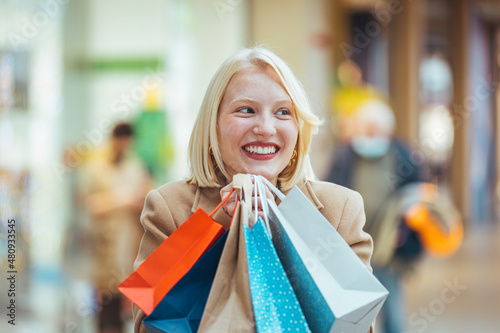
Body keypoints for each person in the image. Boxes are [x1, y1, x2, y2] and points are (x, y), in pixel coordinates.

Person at [132, 47, 374, 332]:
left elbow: (356, 324)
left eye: (283, 112)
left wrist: (283, 227)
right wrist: (220, 227)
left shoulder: (341, 209)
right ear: (214, 123)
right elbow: (147, 325)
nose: (266, 128)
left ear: (298, 128)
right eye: (246, 110)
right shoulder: (168, 207)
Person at [327, 100, 422, 333]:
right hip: (352, 245)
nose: (371, 135)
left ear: (387, 130)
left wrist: (405, 228)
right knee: (354, 308)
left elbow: (419, 194)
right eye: (367, 129)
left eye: (375, 130)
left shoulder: (402, 155)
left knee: (391, 307)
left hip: (388, 245)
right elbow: (328, 190)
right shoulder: (345, 156)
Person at [84, 123, 152, 333]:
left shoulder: (136, 166)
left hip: (130, 243)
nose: (124, 145)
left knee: (129, 306)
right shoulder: (98, 169)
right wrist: (121, 199)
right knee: (107, 304)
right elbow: (91, 204)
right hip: (106, 244)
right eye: (120, 140)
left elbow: (148, 197)